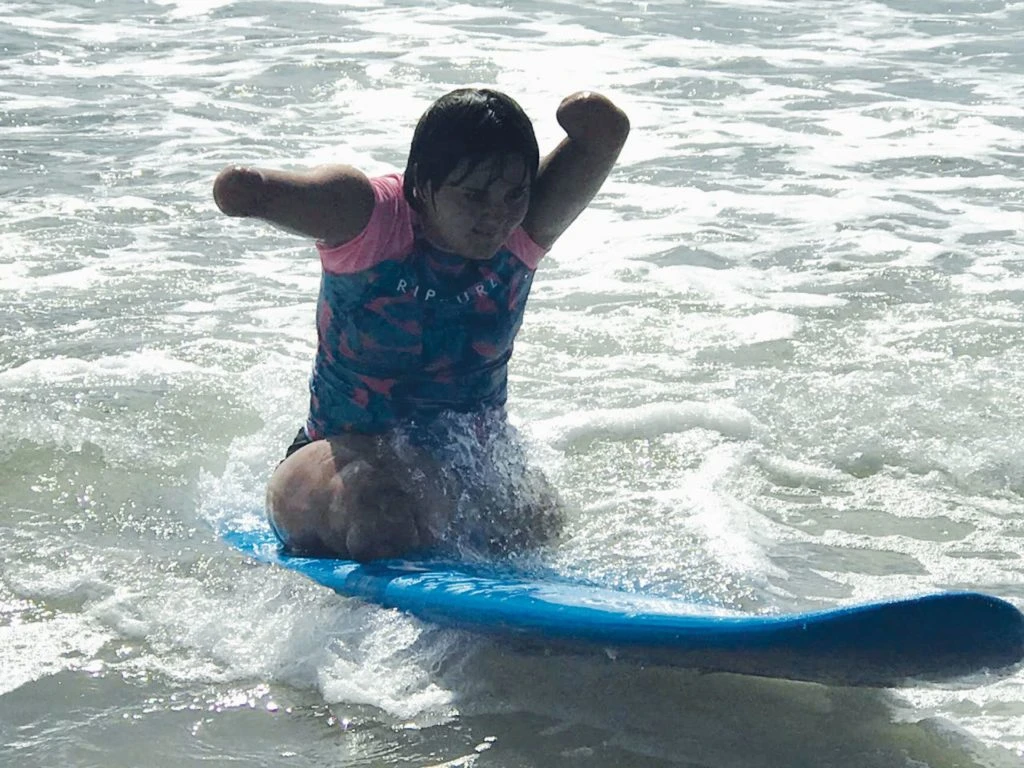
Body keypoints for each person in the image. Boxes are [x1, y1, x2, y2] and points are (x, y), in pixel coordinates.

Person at [213, 87, 629, 562]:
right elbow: (251, 193)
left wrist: (589, 116)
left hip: (465, 467)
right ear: (420, 186)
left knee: (537, 516)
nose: (497, 215)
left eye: (513, 194)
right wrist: (256, 193)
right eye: (473, 196)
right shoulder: (370, 221)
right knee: (380, 515)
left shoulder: (523, 232)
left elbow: (604, 135)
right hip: (340, 456)